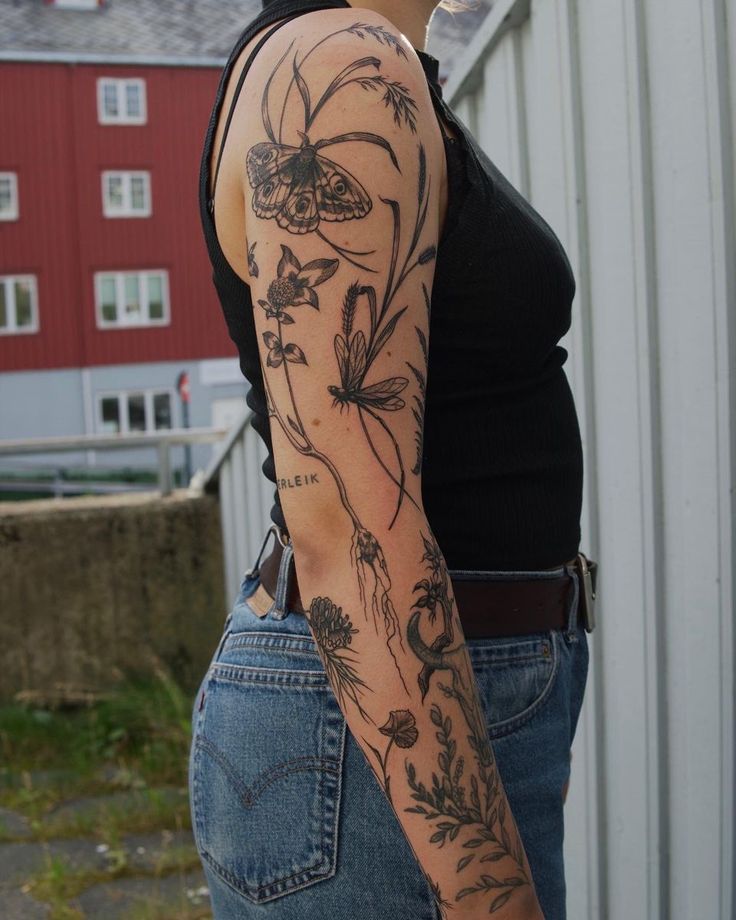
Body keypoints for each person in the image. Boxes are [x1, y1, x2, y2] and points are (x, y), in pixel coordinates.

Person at [189, 0, 595, 918]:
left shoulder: (378, 67)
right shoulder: (339, 70)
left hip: (431, 708)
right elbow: (347, 524)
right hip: (373, 737)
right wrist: (489, 884)